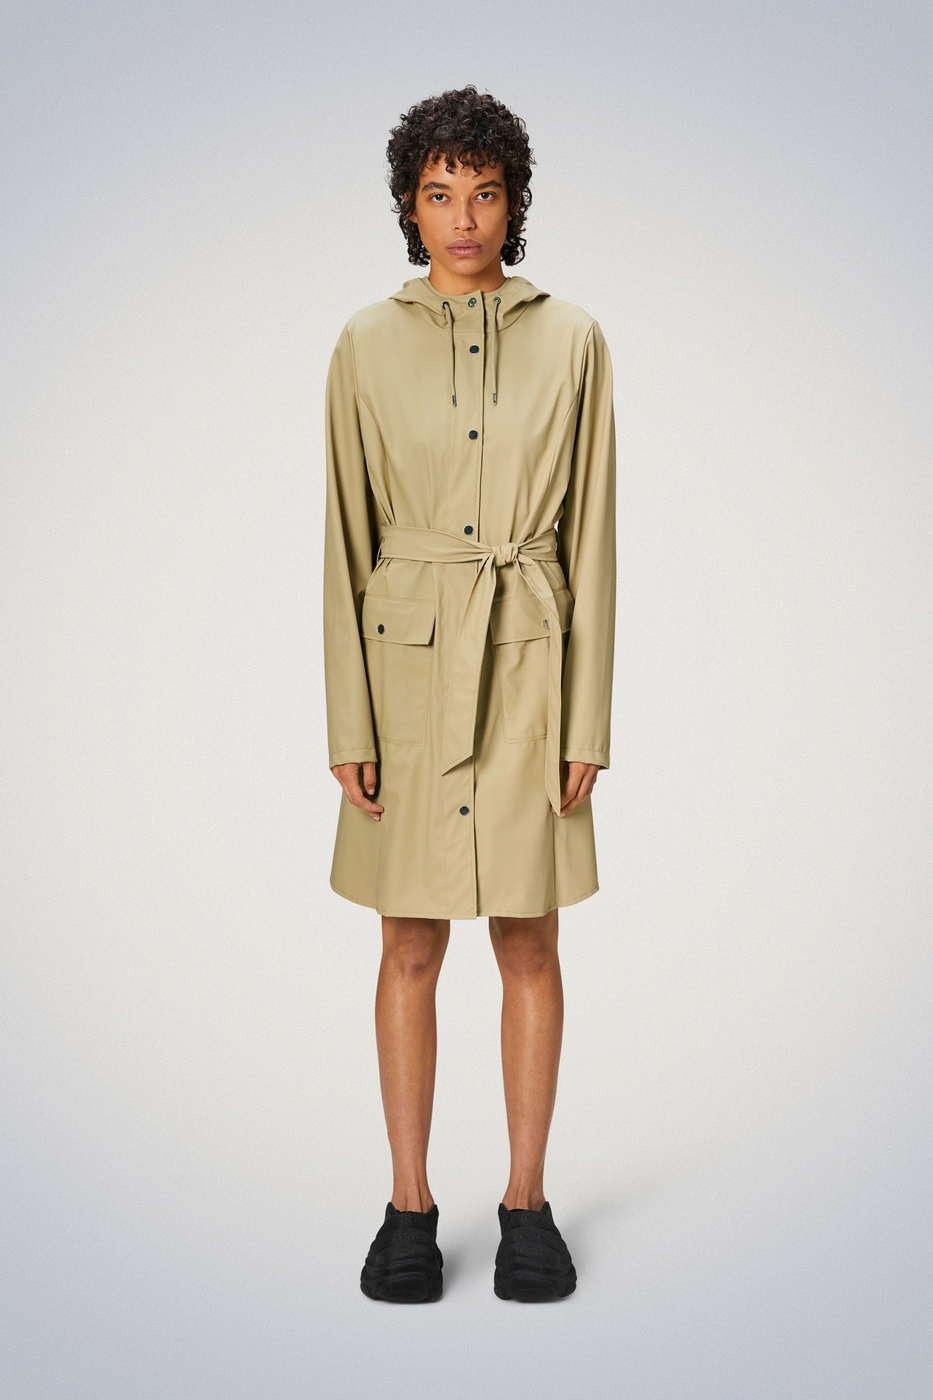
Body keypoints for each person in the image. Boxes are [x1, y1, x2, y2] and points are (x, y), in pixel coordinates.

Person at [323, 85, 616, 1303]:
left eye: (484, 193)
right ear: (409, 205)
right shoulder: (362, 343)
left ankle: (526, 1203)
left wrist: (588, 718)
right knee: (408, 942)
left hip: (533, 672)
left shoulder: (575, 339)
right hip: (405, 680)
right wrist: (349, 721)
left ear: (514, 202)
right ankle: (408, 1205)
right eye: (439, 194)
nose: (463, 218)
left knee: (530, 938)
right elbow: (344, 536)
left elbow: (592, 537)